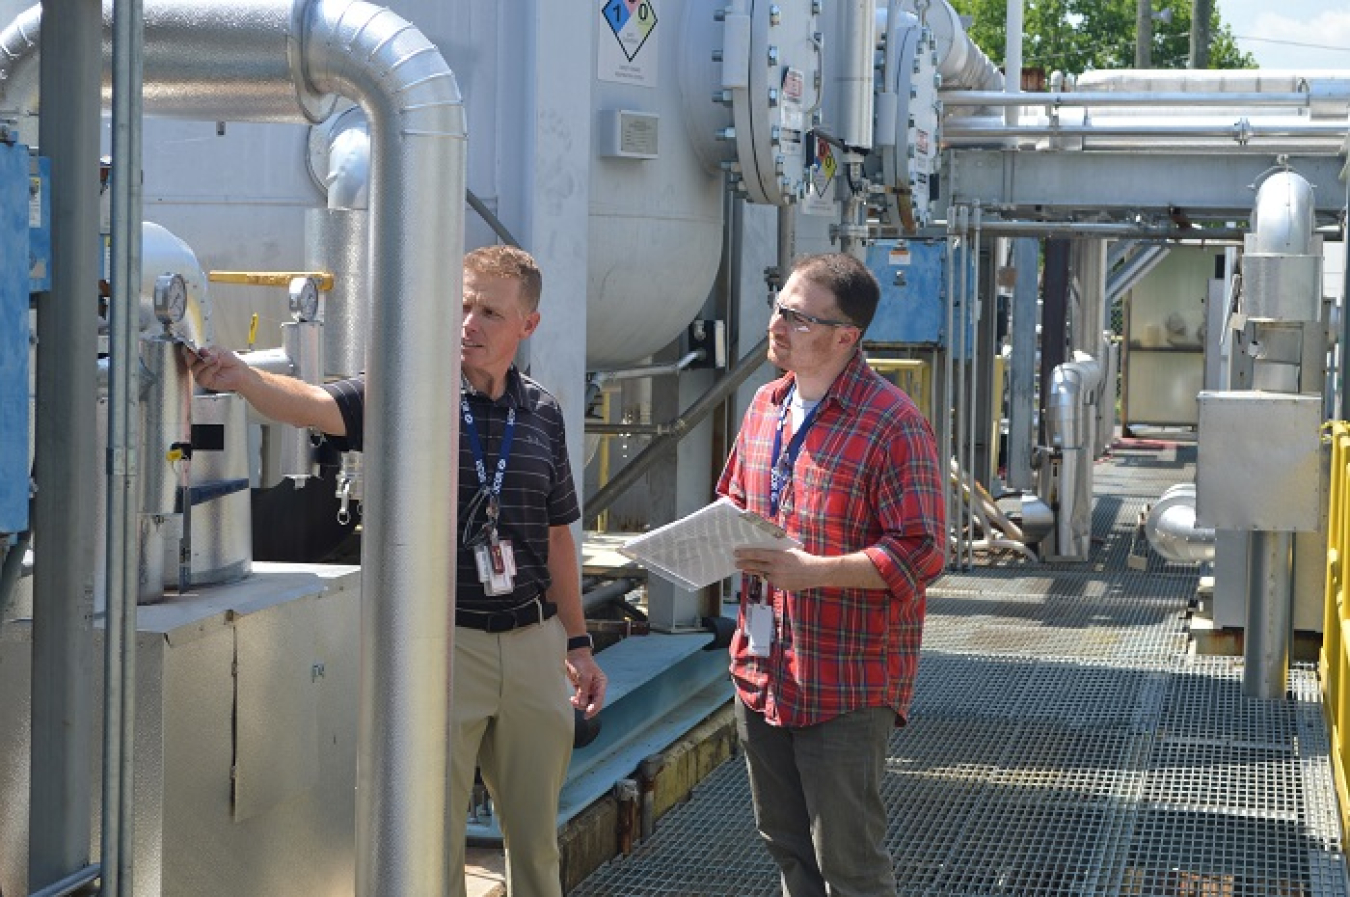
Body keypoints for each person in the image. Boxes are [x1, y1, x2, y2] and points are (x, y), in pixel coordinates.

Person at [186, 244, 605, 897]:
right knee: (430, 848)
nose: (470, 323)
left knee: (536, 846)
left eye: (490, 312)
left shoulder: (544, 412)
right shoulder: (412, 393)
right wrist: (244, 378)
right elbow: (317, 404)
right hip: (444, 647)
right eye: (463, 305)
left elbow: (557, 537)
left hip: (532, 645)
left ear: (528, 324)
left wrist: (577, 642)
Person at [717, 252, 945, 897]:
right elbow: (735, 501)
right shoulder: (766, 404)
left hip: (846, 679)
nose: (777, 325)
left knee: (848, 862)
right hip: (763, 668)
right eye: (778, 307)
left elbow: (923, 552)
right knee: (786, 845)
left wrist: (813, 573)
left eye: (797, 317)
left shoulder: (892, 423)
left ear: (847, 337)